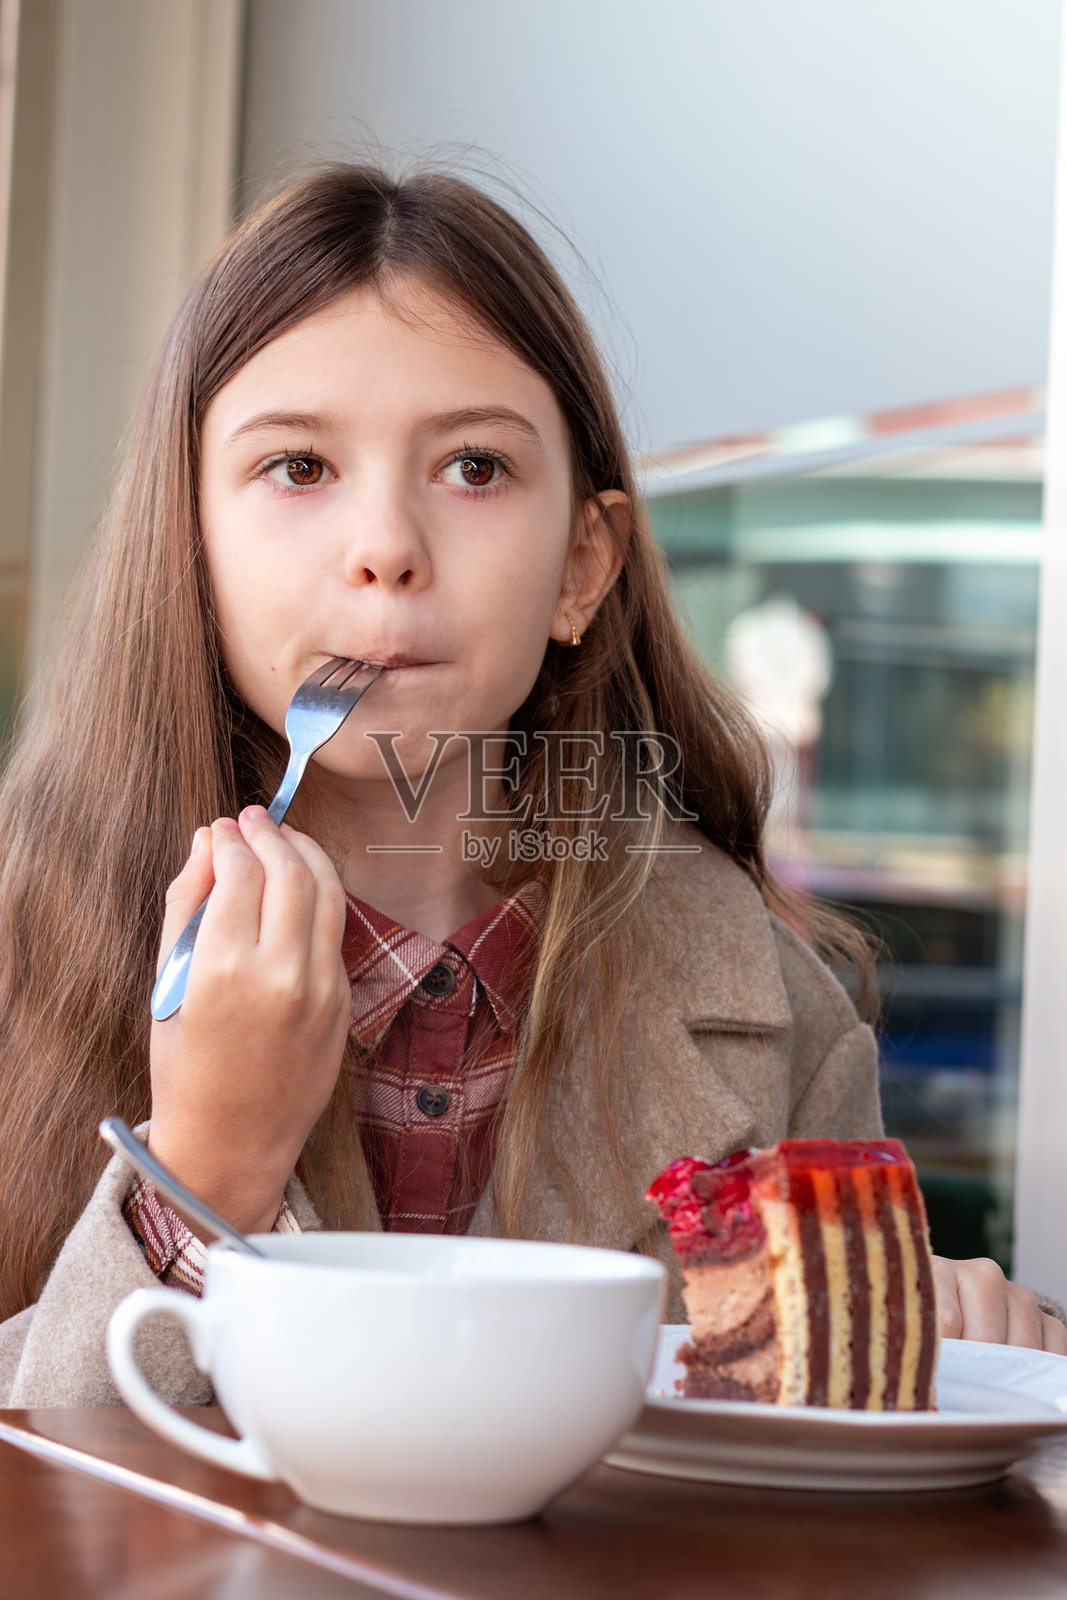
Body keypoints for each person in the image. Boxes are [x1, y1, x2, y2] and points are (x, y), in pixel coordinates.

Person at [0, 166, 1061, 1406]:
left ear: (579, 566)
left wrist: (948, 1334)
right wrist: (207, 1168)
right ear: (191, 551)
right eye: (295, 467)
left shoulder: (775, 1009)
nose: (384, 547)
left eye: (473, 469)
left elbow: (822, 1455)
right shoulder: (26, 944)